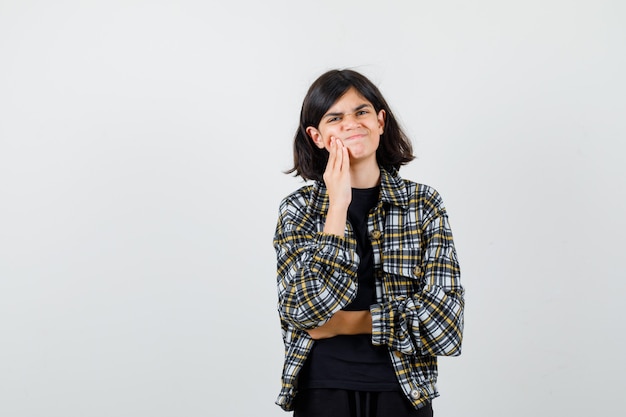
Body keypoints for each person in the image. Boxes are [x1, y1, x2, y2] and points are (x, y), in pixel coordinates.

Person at [273, 69, 464, 417]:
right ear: (317, 136)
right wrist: (338, 207)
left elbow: (446, 324)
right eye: (335, 117)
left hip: (403, 389)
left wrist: (350, 323)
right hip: (322, 389)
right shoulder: (297, 209)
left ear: (380, 121)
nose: (351, 123)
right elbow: (303, 312)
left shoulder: (423, 204)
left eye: (361, 112)